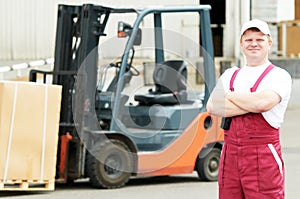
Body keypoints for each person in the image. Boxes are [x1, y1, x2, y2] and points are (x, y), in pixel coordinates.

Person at [206, 19, 292, 199]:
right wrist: (252, 103)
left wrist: (229, 95)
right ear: (241, 43)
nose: (254, 44)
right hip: (230, 153)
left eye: (260, 39)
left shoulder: (279, 76)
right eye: (249, 39)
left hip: (263, 154)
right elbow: (213, 106)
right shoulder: (230, 74)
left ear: (269, 42)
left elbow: (263, 103)